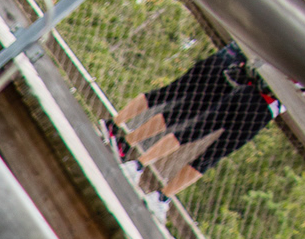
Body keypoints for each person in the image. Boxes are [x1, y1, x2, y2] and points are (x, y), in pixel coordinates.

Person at [104, 43, 281, 218]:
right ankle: (135, 161)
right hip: (241, 82)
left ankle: (122, 139)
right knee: (187, 123)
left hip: (231, 66)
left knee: (174, 104)